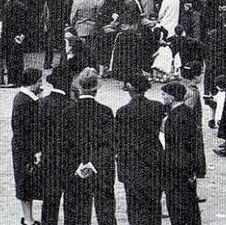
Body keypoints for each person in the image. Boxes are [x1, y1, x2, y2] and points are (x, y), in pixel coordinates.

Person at [62, 68, 115, 225]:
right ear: (96, 89)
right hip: (101, 169)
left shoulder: (68, 112)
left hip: (75, 168)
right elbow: (110, 143)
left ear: (79, 87)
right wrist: (93, 163)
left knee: (75, 214)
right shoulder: (105, 112)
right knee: (106, 213)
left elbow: (65, 144)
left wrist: (79, 165)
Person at [114, 73, 165, 225]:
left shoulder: (123, 111)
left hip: (132, 162)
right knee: (154, 203)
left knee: (134, 204)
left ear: (130, 88)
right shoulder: (157, 107)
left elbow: (119, 140)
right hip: (153, 158)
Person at [160, 81, 203, 225]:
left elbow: (180, 147)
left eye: (164, 95)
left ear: (171, 97)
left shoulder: (176, 118)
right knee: (189, 207)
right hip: (185, 169)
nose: (163, 97)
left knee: (178, 208)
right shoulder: (186, 112)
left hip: (177, 169)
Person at [39, 67, 72, 225]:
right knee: (71, 199)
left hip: (49, 157)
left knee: (50, 198)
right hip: (69, 158)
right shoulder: (72, 104)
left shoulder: (42, 103)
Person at [12, 68, 43, 225]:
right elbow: (22, 131)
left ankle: (29, 218)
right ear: (33, 83)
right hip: (25, 149)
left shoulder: (24, 98)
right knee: (25, 184)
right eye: (39, 82)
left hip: (24, 148)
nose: (41, 85)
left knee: (26, 183)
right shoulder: (25, 101)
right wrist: (33, 152)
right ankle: (29, 220)